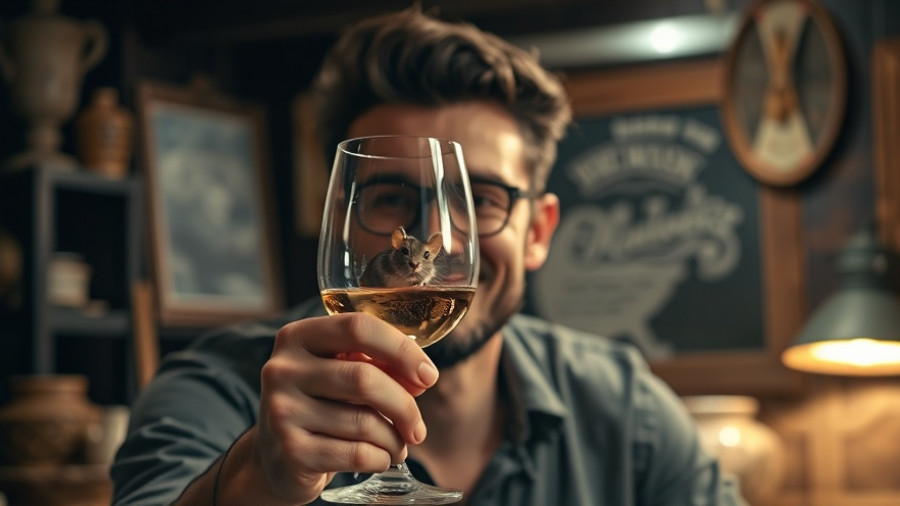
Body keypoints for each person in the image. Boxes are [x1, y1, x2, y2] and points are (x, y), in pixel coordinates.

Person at [111, 7, 743, 506]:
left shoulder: (627, 410)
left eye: (482, 199)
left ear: (538, 232)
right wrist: (255, 478)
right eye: (391, 197)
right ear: (339, 217)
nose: (437, 239)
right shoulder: (215, 388)